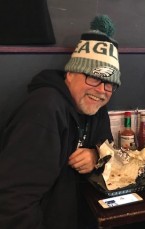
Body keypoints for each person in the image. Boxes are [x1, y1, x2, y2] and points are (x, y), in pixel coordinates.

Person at [0, 15, 121, 229]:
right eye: (93, 78)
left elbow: (108, 148)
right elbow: (14, 201)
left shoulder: (96, 106)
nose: (101, 90)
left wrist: (95, 155)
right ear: (71, 74)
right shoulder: (44, 109)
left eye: (109, 84)